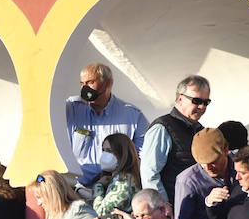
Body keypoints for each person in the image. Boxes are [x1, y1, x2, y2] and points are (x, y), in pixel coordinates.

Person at [66, 63, 148, 172]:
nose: (85, 88)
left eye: (90, 82)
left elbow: (143, 156)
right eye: (82, 83)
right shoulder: (72, 109)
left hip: (114, 185)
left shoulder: (132, 116)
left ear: (107, 83)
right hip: (78, 185)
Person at [143, 74, 211, 202]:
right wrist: (163, 208)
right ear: (180, 99)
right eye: (196, 101)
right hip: (172, 208)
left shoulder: (200, 130)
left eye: (206, 102)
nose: (201, 106)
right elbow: (150, 175)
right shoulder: (162, 128)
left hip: (194, 207)